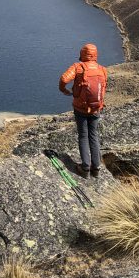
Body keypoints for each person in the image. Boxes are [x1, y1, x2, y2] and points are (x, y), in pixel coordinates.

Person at [59, 42, 108, 177]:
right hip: (96, 108)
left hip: (80, 108)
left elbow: (64, 78)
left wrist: (63, 90)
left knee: (83, 136)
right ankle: (96, 168)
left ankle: (85, 168)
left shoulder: (78, 67)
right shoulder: (102, 69)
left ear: (82, 54)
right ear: (95, 55)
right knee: (93, 135)